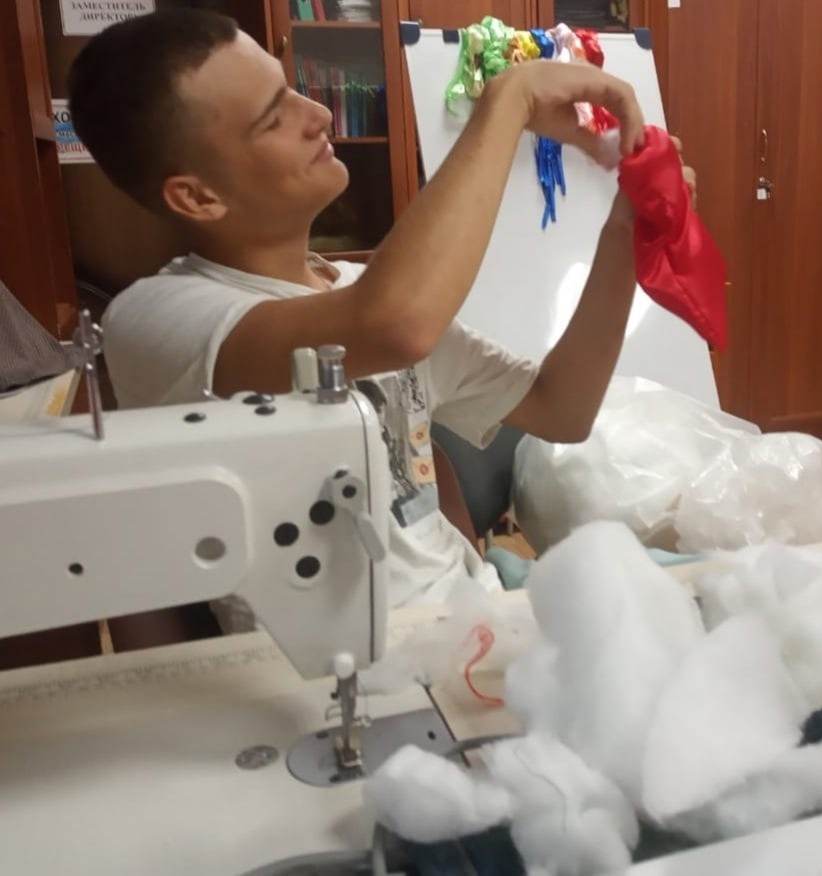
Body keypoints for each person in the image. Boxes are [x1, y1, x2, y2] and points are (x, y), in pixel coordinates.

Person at [68, 10, 696, 622]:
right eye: (274, 117)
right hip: (364, 663)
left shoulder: (357, 291)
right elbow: (397, 325)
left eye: (292, 91)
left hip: (471, 613)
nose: (318, 114)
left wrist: (623, 235)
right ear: (198, 196)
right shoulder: (158, 317)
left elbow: (562, 409)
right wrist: (509, 102)